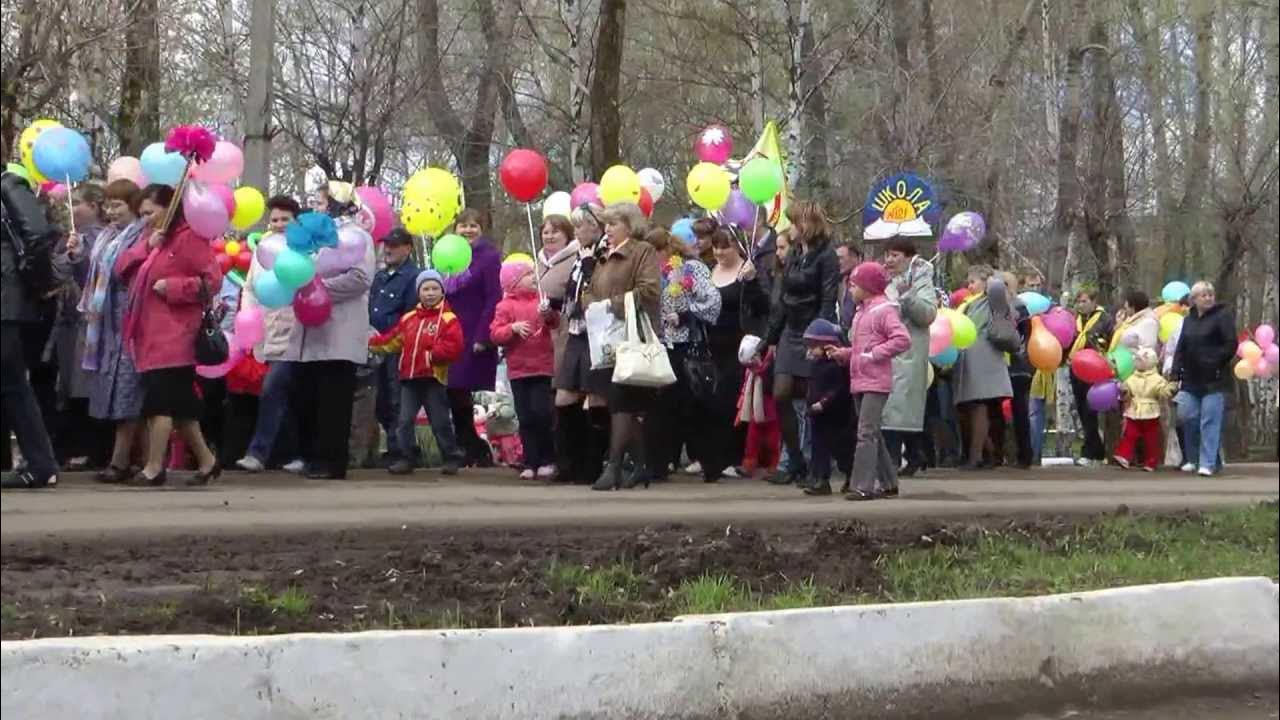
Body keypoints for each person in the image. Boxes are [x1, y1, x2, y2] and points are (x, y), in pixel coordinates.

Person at [113, 184, 222, 486]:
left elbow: (211, 281)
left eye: (151, 212)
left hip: (175, 334)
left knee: (158, 403)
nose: (146, 219)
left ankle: (154, 466)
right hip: (148, 332)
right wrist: (147, 247)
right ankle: (207, 461)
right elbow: (120, 268)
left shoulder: (191, 237)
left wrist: (174, 288)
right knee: (182, 406)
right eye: (142, 214)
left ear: (169, 207)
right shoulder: (152, 238)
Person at [285, 185, 376, 480]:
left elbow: (360, 279)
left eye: (322, 201)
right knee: (308, 397)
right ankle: (312, 456)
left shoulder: (356, 236)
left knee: (333, 400)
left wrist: (318, 289)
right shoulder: (313, 238)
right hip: (310, 333)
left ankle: (332, 461)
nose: (316, 206)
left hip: (340, 331)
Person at [586, 202, 661, 491]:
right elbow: (590, 290)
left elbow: (650, 290)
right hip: (607, 340)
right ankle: (641, 465)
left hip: (632, 337)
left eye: (613, 224)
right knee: (622, 404)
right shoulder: (604, 256)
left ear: (629, 225)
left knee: (622, 401)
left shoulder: (643, 251)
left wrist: (613, 305)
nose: (607, 230)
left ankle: (614, 465)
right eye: (606, 224)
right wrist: (591, 304)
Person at [765, 200, 840, 485]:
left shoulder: (826, 256)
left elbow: (827, 298)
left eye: (795, 222)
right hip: (790, 329)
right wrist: (771, 337)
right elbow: (782, 296)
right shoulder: (795, 253)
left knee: (810, 399)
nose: (791, 228)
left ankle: (814, 462)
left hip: (812, 328)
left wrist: (819, 338)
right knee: (781, 393)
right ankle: (794, 456)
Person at [80, 179, 149, 482]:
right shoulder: (106, 236)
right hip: (106, 326)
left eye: (117, 204)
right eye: (108, 204)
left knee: (128, 394)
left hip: (132, 322)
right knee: (120, 395)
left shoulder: (141, 236)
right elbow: (92, 279)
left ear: (132, 206)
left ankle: (120, 461)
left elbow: (127, 273)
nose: (110, 211)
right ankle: (145, 460)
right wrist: (76, 257)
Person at [370, 269, 465, 476]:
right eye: (425, 289)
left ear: (442, 291)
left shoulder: (448, 319)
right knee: (404, 421)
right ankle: (407, 456)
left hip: (433, 378)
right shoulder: (409, 318)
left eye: (434, 288)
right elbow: (394, 340)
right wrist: (372, 344)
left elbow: (454, 345)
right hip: (409, 378)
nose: (430, 293)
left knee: (439, 421)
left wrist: (434, 355)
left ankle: (450, 456)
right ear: (418, 292)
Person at [1, 167, 61, 489]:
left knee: (11, 382)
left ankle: (41, 464)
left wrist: (32, 280)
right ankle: (39, 463)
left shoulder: (9, 185)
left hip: (6, 298)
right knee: (9, 382)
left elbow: (38, 235)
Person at [829, 262, 910, 500]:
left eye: (854, 285)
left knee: (866, 433)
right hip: (861, 379)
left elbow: (902, 339)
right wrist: (845, 354)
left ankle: (863, 485)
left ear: (867, 286)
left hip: (875, 381)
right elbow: (860, 347)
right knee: (872, 432)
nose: (851, 290)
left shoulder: (883, 310)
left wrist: (874, 354)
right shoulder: (862, 312)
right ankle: (888, 482)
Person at [235, 194, 305, 473]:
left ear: (295, 221)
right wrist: (248, 324)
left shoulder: (304, 248)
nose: (278, 224)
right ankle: (294, 454)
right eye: (274, 219)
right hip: (266, 330)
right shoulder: (262, 247)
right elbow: (251, 288)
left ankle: (258, 452)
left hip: (296, 331)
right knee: (281, 394)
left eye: (284, 219)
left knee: (273, 389)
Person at [645, 227, 721, 482]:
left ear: (665, 250)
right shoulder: (653, 272)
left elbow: (712, 300)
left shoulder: (691, 268)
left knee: (695, 407)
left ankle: (710, 462)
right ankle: (658, 463)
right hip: (662, 346)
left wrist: (686, 314)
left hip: (688, 346)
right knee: (661, 407)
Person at [47, 184, 107, 469]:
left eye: (78, 203)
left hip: (90, 322)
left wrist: (81, 256)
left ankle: (89, 446)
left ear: (95, 207)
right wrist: (68, 255)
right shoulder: (67, 239)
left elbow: (95, 279)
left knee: (84, 385)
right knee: (66, 386)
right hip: (66, 321)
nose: (73, 210)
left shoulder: (101, 238)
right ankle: (68, 445)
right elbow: (56, 273)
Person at [549, 205, 610, 485]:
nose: (576, 232)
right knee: (564, 396)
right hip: (575, 332)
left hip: (597, 333)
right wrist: (552, 306)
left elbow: (600, 287)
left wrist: (589, 267)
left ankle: (593, 464)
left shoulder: (604, 252)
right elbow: (573, 292)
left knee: (596, 396)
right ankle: (567, 462)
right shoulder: (579, 254)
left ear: (595, 226)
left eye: (580, 226)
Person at [442, 208, 503, 467]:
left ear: (482, 229)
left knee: (461, 388)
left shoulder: (489, 258)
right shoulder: (446, 256)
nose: (468, 230)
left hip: (474, 329)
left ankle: (474, 446)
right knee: (452, 390)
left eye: (473, 226)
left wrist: (483, 335)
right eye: (463, 225)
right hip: (449, 331)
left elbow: (493, 297)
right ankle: (469, 445)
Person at [706, 225, 766, 481]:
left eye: (725, 246)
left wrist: (751, 283)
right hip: (711, 345)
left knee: (731, 402)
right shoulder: (710, 270)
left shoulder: (748, 270)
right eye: (716, 246)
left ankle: (734, 457)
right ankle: (711, 456)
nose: (719, 252)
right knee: (712, 402)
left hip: (738, 345)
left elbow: (762, 305)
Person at [490, 260, 556, 480]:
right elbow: (496, 333)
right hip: (519, 370)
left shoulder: (542, 300)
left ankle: (547, 458)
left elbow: (554, 323)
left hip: (542, 366)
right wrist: (512, 328)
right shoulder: (505, 306)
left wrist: (548, 315)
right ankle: (530, 460)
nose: (533, 278)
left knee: (542, 413)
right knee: (525, 416)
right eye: (528, 275)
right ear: (514, 281)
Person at [879, 237, 937, 476]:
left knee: (899, 407)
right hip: (887, 350)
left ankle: (894, 461)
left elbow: (928, 314)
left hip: (909, 351)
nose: (889, 260)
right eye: (887, 255)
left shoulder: (922, 279)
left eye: (895, 255)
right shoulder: (884, 279)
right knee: (894, 408)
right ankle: (913, 454)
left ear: (908, 257)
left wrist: (907, 296)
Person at [952, 266, 1017, 470]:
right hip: (970, 360)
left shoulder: (993, 298)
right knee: (972, 409)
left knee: (979, 406)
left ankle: (976, 456)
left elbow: (998, 287)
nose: (969, 286)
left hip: (984, 361)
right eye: (968, 282)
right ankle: (990, 453)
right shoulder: (970, 304)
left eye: (974, 281)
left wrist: (992, 277)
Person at [1170, 281, 1235, 476]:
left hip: (1214, 379)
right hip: (1190, 378)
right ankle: (1196, 458)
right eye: (1203, 295)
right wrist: (1175, 372)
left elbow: (1231, 344)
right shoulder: (1189, 319)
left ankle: (1207, 463)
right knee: (1187, 416)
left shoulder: (1222, 316)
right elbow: (1181, 347)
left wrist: (1213, 361)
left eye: (1210, 294)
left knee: (1209, 420)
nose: (1208, 298)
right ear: (1194, 299)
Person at [367, 228, 421, 465]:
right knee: (380, 399)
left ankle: (404, 451)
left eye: (394, 245)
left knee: (397, 398)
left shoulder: (414, 277)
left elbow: (411, 315)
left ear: (408, 248)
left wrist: (395, 339)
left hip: (399, 347)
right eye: (386, 245)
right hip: (375, 345)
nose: (388, 249)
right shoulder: (379, 277)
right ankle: (391, 446)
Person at [799, 319, 852, 496]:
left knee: (842, 448)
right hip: (817, 416)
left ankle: (850, 476)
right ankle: (821, 480)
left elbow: (837, 389)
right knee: (818, 449)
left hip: (835, 416)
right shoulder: (815, 366)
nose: (810, 352)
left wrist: (823, 402)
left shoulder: (835, 367)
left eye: (813, 347)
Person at [1067, 288, 1114, 466]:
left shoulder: (1104, 319)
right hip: (1076, 368)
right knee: (1082, 410)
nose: (1081, 305)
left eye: (1084, 301)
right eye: (1078, 302)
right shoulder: (1075, 320)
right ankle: (1097, 450)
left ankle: (1090, 450)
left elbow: (1109, 340)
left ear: (1094, 302)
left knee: (1090, 410)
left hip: (1094, 369)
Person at [1114, 348, 1176, 471]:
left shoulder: (1157, 379)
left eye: (1140, 360)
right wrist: (1124, 390)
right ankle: (1123, 456)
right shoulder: (1132, 377)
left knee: (1151, 438)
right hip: (1134, 411)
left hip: (1151, 412)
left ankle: (1151, 462)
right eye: (1136, 360)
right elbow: (1128, 391)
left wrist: (1169, 389)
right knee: (1129, 434)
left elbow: (1161, 392)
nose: (1137, 363)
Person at [537, 215, 579, 378]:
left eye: (555, 232)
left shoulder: (575, 259)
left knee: (561, 377)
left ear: (567, 234)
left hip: (563, 327)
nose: (549, 236)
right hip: (539, 329)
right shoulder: (538, 261)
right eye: (546, 232)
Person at [834, 240, 862, 333]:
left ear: (855, 258)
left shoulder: (865, 281)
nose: (838, 262)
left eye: (841, 258)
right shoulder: (842, 281)